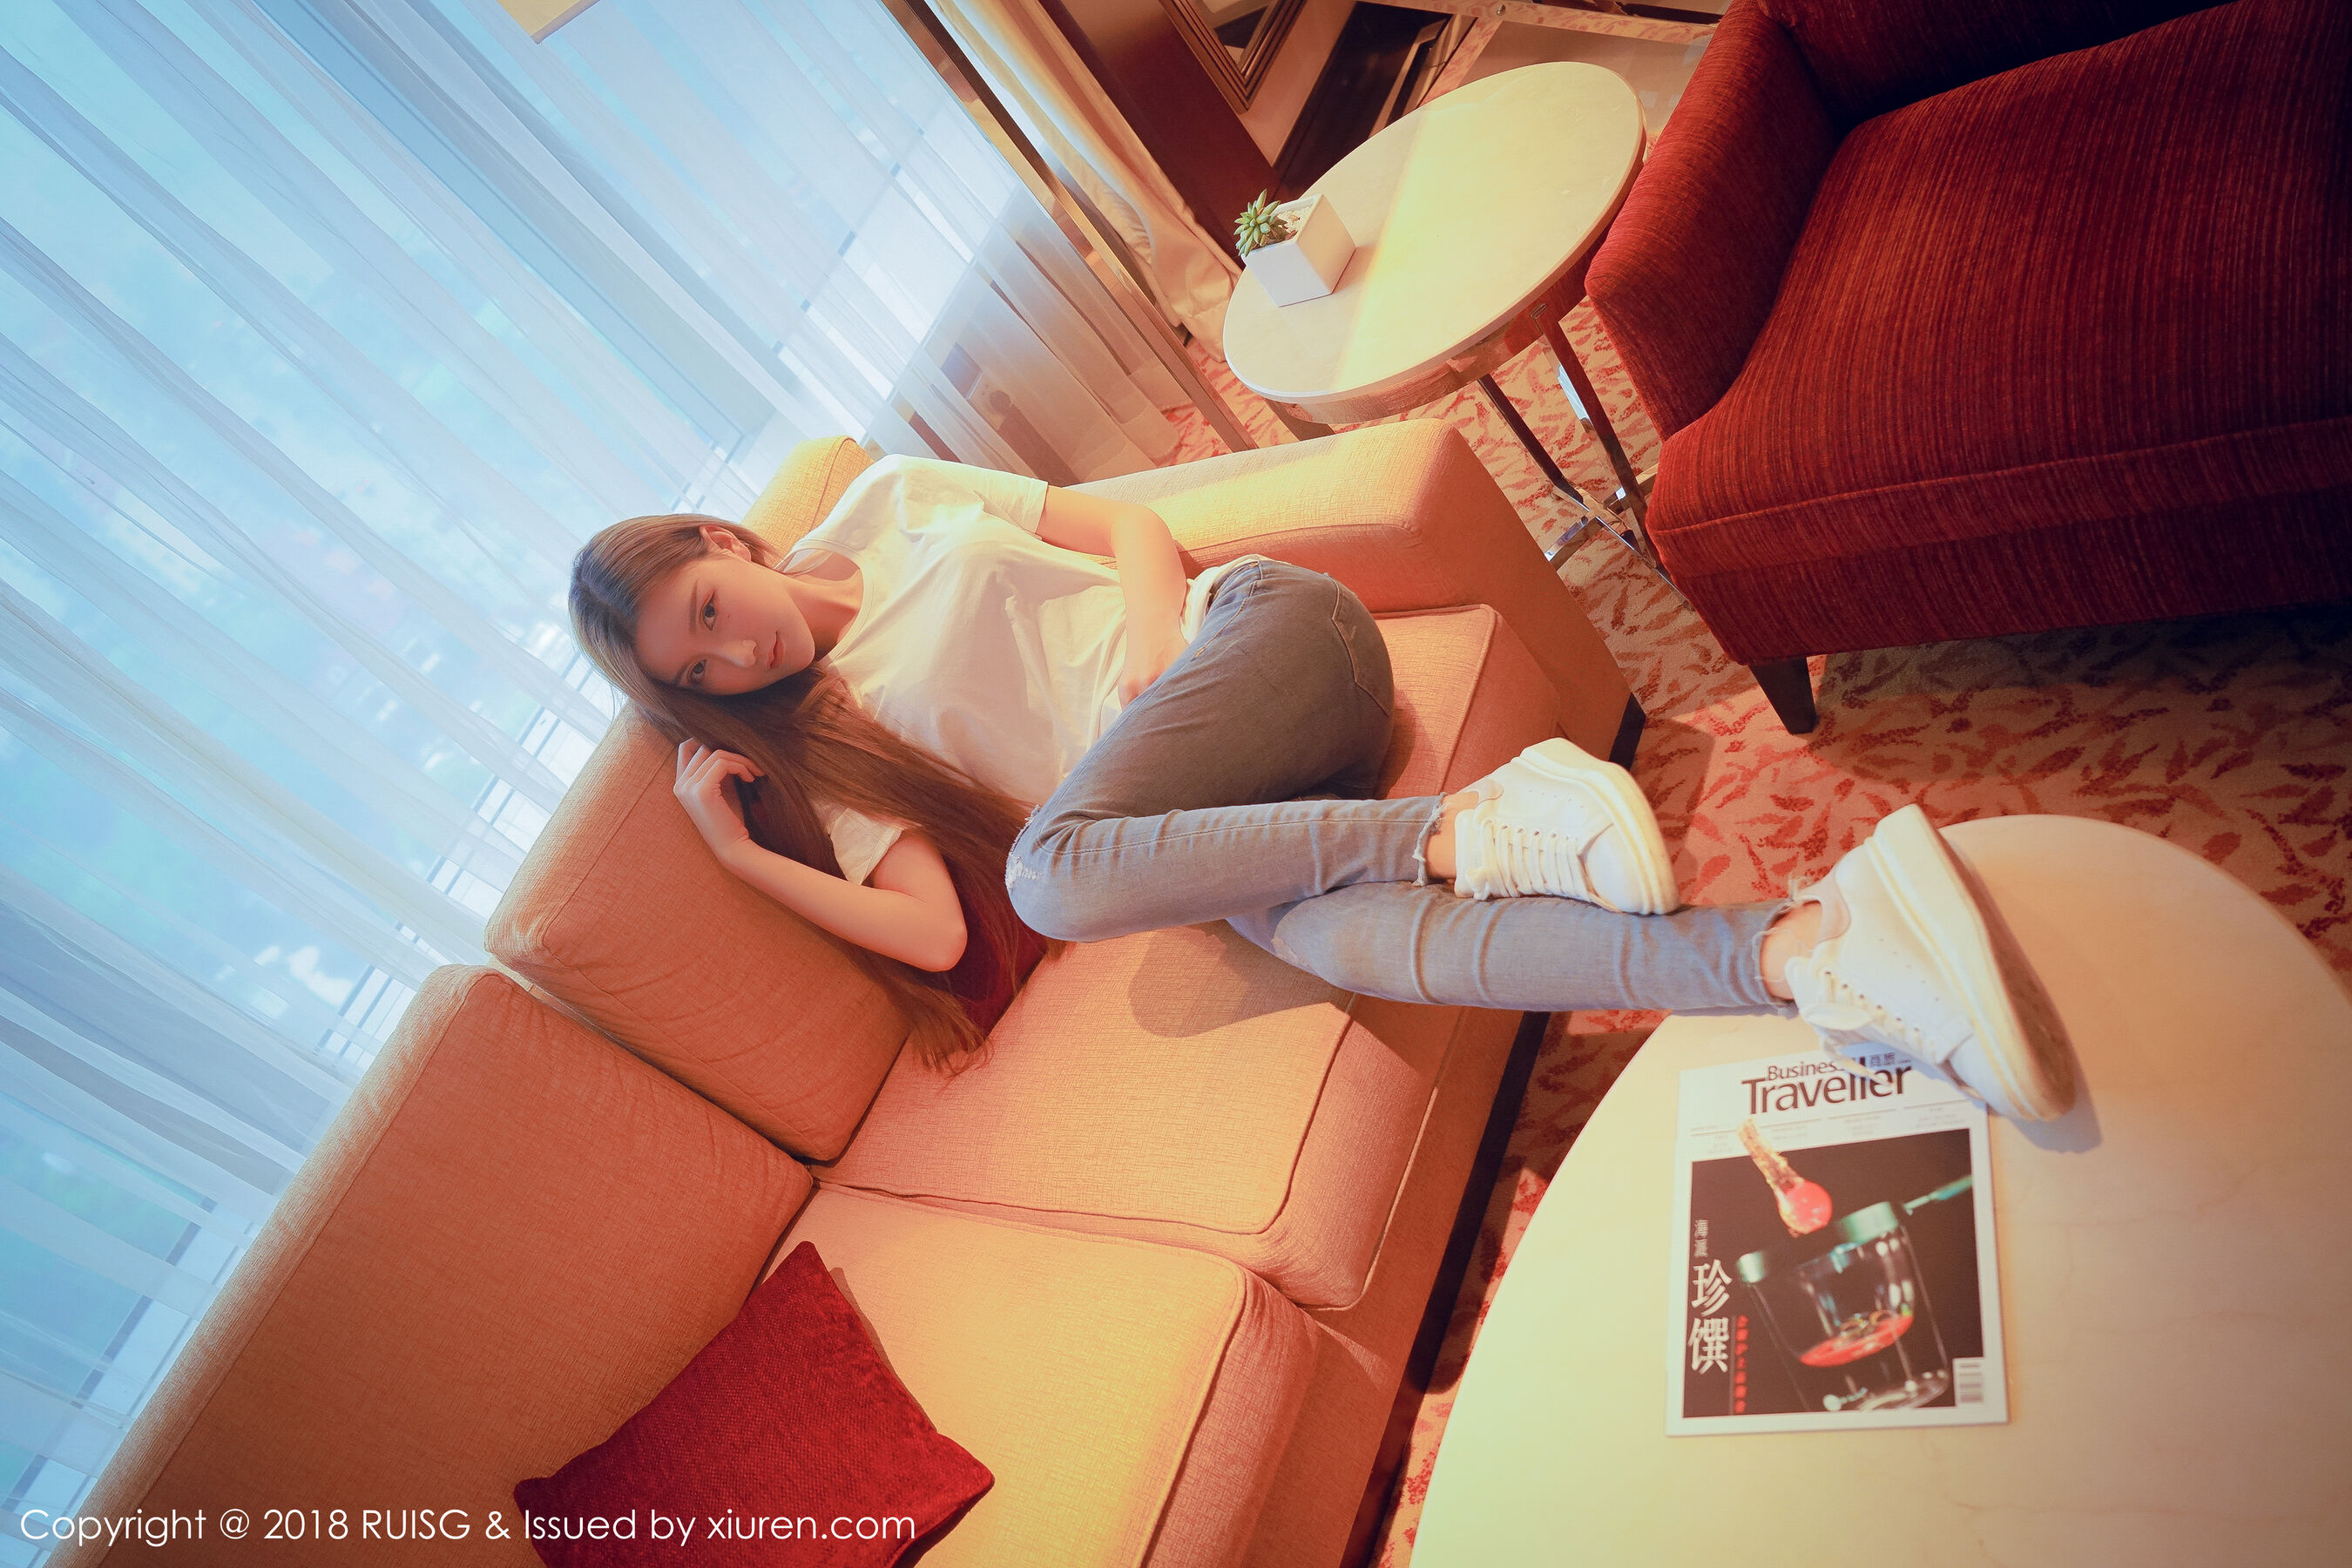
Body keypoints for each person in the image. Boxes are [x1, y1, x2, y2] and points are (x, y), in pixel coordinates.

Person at [569, 456, 2074, 1121]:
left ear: (722, 543)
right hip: (1238, 816)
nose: (736, 652)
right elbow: (935, 937)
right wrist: (744, 854)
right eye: (699, 672)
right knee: (1342, 938)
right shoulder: (825, 739)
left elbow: (1126, 527)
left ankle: (1473, 827)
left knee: (1050, 871)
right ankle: (1802, 951)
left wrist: (1150, 649)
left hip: (1264, 646)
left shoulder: (889, 501)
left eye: (708, 609)